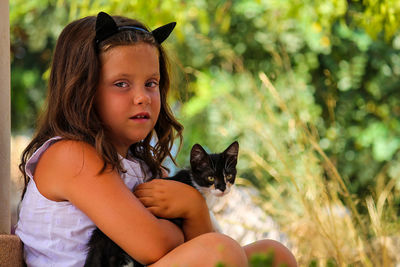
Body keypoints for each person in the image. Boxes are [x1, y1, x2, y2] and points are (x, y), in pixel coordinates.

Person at [15, 11, 297, 267]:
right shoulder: (71, 156)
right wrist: (193, 206)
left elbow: (191, 247)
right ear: (82, 89)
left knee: (273, 255)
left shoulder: (141, 167)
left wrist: (192, 216)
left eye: (151, 83)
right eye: (121, 84)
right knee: (221, 251)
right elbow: (154, 246)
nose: (142, 98)